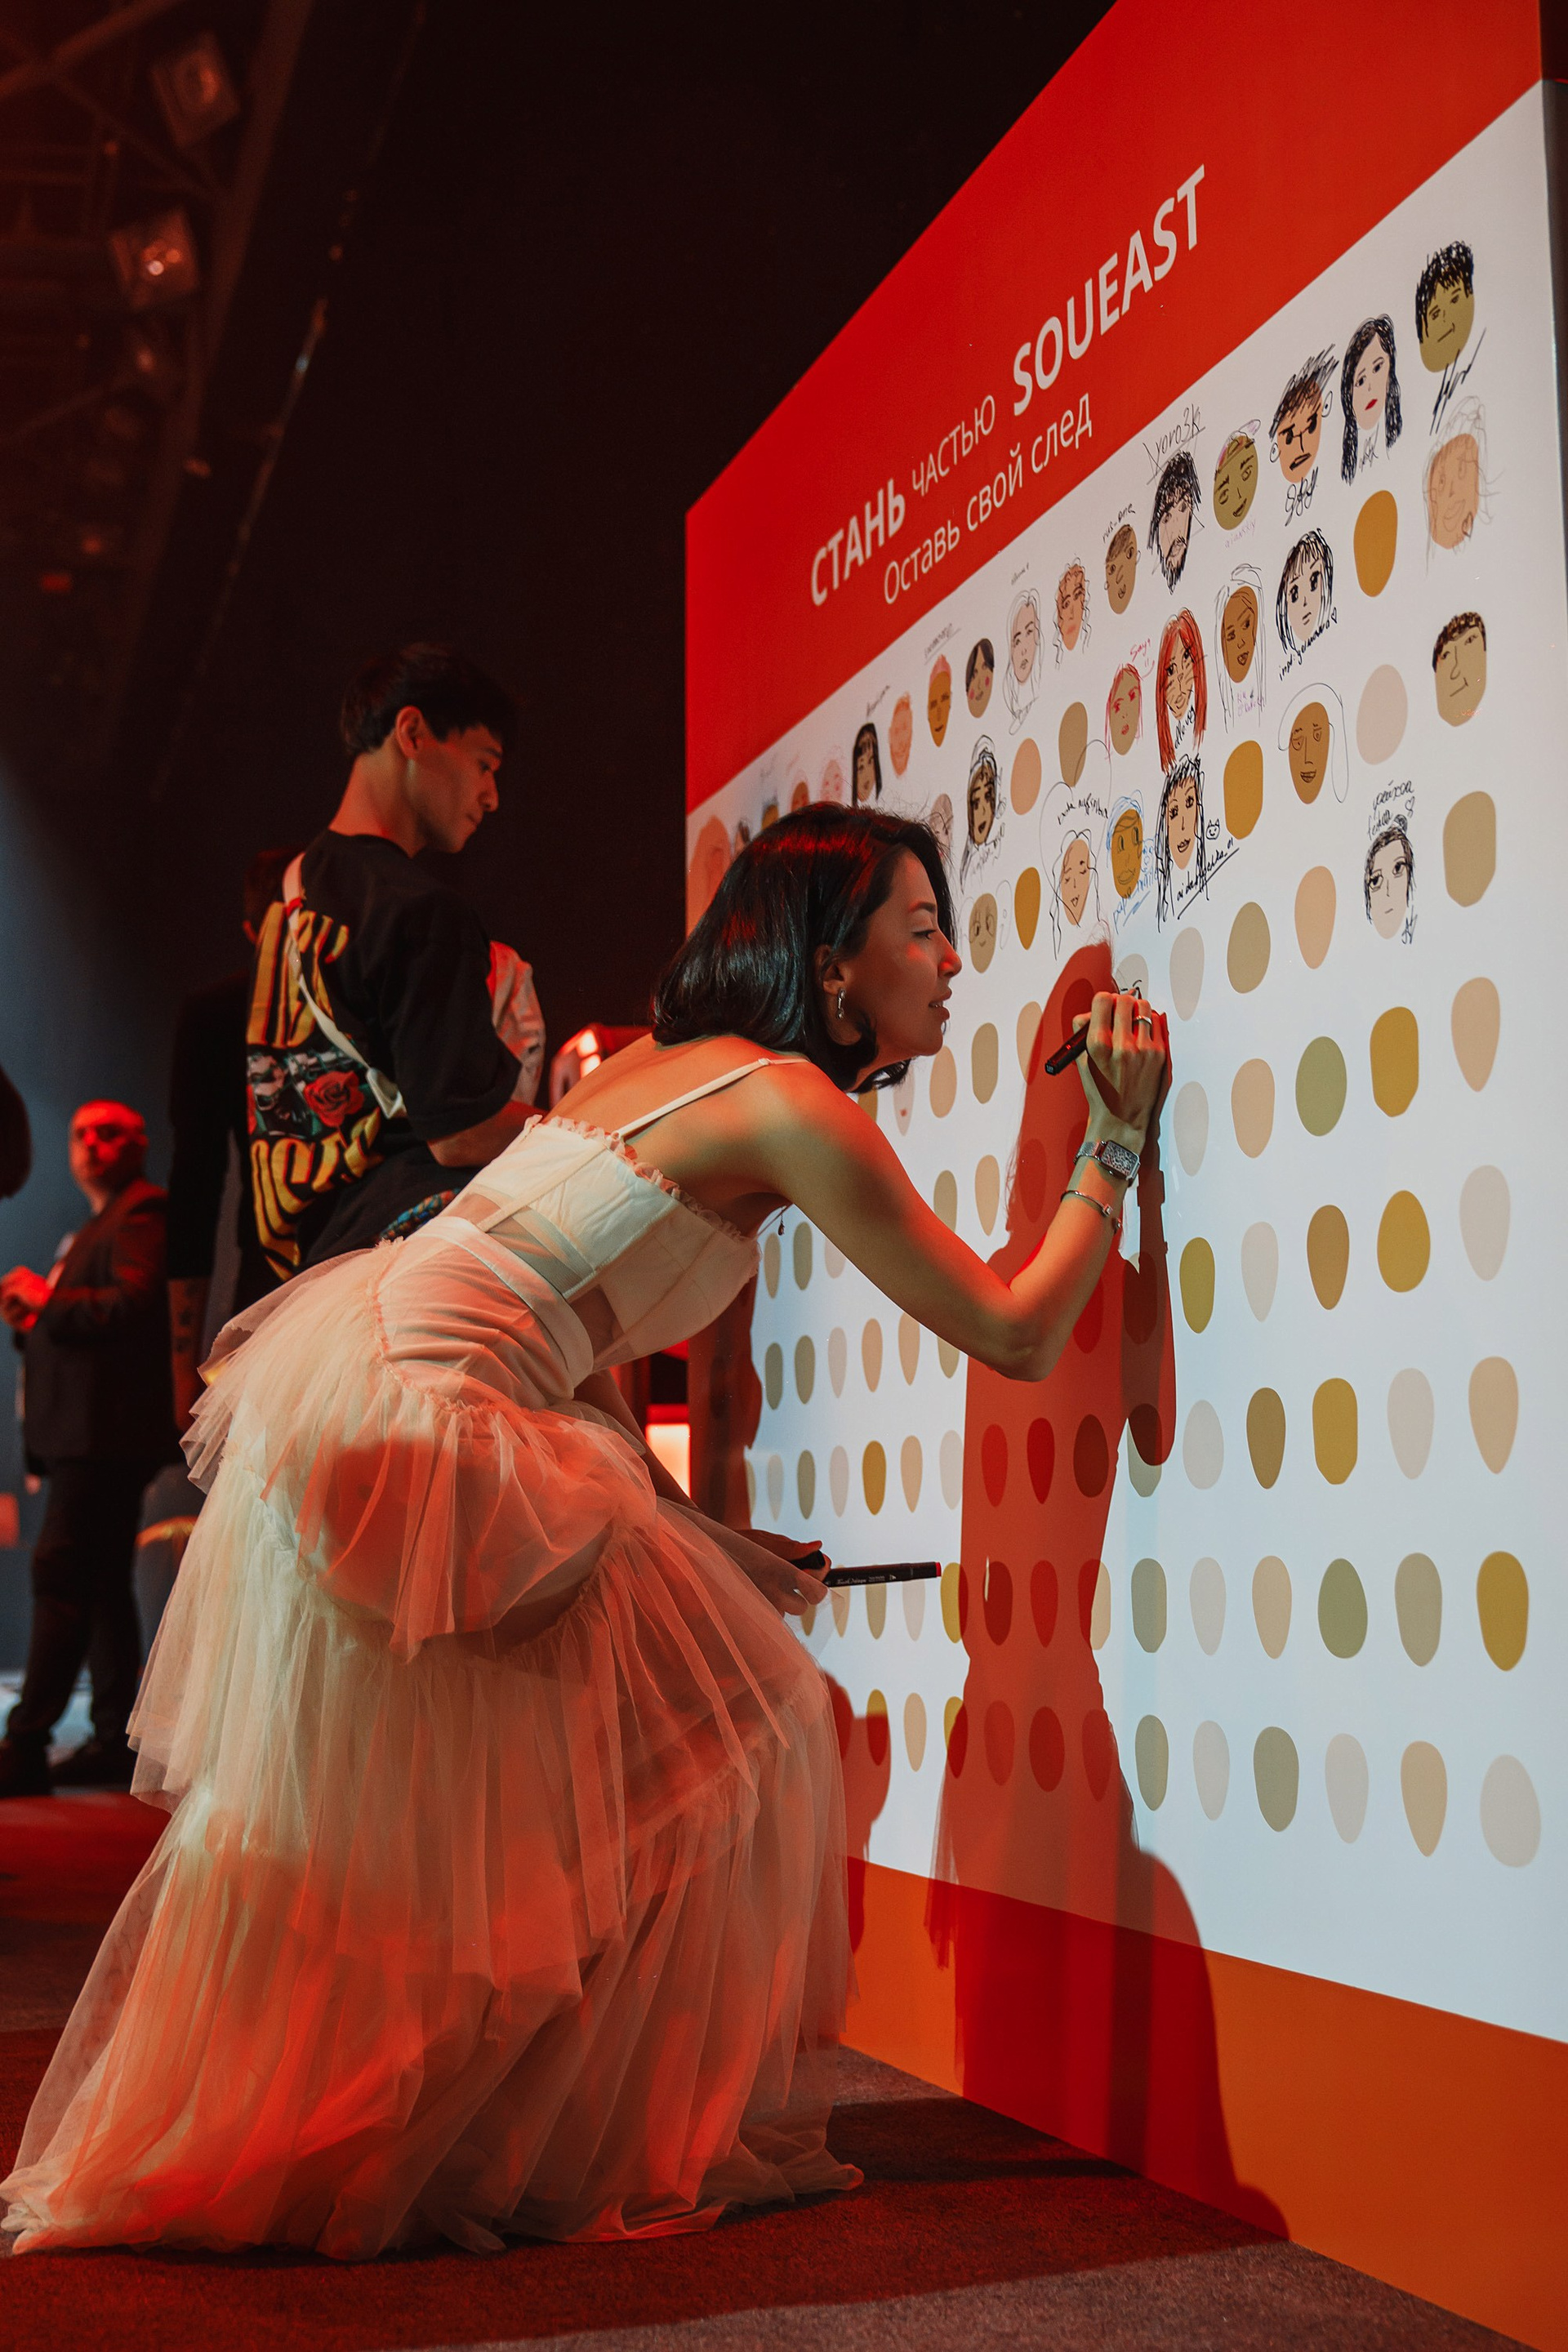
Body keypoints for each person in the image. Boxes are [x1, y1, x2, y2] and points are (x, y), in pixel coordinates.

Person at [1, 803, 1166, 2258]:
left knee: (437, 1828)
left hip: (374, 1383)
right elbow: (1014, 1328)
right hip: (432, 1412)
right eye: (923, 929)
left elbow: (571, 1333)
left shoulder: (665, 1068)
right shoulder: (792, 1105)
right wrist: (1113, 1141)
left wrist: (709, 1540)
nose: (952, 963)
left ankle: (439, 2129)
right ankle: (538, 2135)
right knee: (741, 1733)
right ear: (831, 963)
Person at [247, 644, 532, 1281]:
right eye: (484, 764)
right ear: (413, 733)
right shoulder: (420, 912)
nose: (491, 797)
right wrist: (593, 1126)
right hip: (410, 1253)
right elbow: (461, 1133)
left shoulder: (292, 898)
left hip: (309, 1266)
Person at [0, 1102, 176, 1796]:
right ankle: (111, 1740)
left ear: (139, 1145)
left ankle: (25, 1743)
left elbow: (131, 1305)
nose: (92, 1144)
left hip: (101, 1438)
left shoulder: (141, 1212)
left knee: (63, 1574)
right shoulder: (99, 1225)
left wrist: (47, 1301)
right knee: (100, 1585)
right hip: (90, 1437)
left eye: (110, 1133)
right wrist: (34, 1322)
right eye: (81, 1134)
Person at [167, 849, 298, 1434]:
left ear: (250, 931)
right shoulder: (369, 1001)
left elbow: (194, 1189)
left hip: (271, 1268)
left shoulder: (217, 1013)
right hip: (373, 1261)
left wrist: (182, 1370)